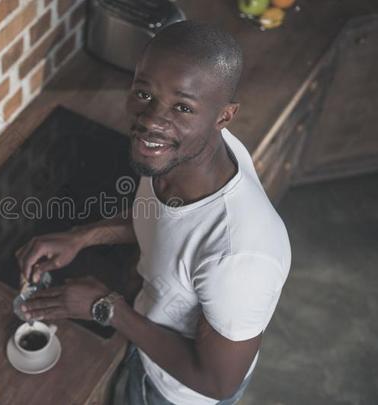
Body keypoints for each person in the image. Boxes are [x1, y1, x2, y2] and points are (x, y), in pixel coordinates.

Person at [15, 20, 291, 405]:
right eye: (143, 93)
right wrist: (81, 235)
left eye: (182, 107)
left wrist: (106, 308)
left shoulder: (241, 256)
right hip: (146, 339)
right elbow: (165, 221)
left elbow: (217, 382)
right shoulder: (177, 158)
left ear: (224, 116)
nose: (151, 121)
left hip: (174, 394)